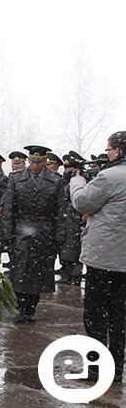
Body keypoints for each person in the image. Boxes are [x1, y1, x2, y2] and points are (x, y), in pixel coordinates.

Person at [69, 131, 126, 382]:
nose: (108, 153)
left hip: (104, 257)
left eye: (110, 149)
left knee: (95, 314)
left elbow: (82, 203)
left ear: (119, 151)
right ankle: (116, 369)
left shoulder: (110, 176)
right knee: (120, 315)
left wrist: (76, 182)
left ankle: (95, 369)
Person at [1, 145, 64, 323]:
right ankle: (21, 308)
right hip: (21, 231)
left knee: (38, 274)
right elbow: (9, 209)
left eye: (40, 162)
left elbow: (60, 211)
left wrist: (60, 236)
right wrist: (7, 235)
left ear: (45, 161)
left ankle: (31, 309)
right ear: (28, 160)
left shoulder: (55, 180)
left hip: (44, 232)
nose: (36, 165)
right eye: (33, 161)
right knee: (20, 271)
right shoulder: (16, 178)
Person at [58, 151, 86, 285]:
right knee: (66, 250)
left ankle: (75, 276)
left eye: (71, 169)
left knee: (75, 251)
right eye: (66, 168)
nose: (68, 171)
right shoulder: (63, 182)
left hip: (76, 220)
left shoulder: (82, 181)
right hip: (66, 220)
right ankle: (68, 275)